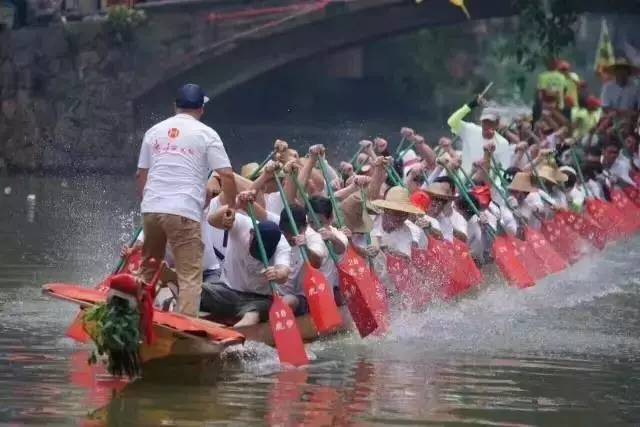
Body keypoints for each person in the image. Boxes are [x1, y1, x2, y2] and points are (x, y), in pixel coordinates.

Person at [136, 83, 237, 317]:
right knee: (190, 276)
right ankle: (186, 329)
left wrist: (147, 203)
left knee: (148, 270)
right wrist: (230, 207)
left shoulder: (154, 131)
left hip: (151, 210)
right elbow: (227, 175)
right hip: (183, 212)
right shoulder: (206, 134)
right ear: (201, 109)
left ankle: (136, 318)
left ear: (175, 107)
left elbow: (142, 174)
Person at [205, 196, 291, 327]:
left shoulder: (282, 244)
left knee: (255, 313)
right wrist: (230, 209)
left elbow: (284, 273)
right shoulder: (243, 224)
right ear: (251, 233)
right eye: (254, 249)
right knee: (200, 291)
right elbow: (212, 220)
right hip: (229, 291)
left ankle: (233, 335)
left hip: (259, 299)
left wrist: (278, 274)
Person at [447, 94, 515, 174]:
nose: (487, 125)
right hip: (464, 179)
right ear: (481, 122)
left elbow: (504, 169)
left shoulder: (503, 143)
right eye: (484, 122)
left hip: (485, 183)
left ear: (497, 124)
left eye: (490, 122)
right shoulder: (470, 129)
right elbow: (451, 122)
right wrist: (471, 105)